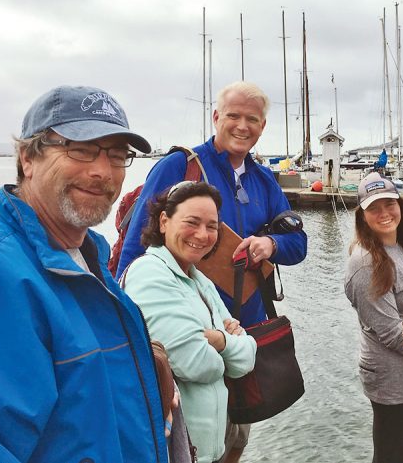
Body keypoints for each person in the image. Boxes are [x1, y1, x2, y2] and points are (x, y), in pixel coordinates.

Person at [0, 86, 172, 462]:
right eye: (81, 149)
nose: (102, 171)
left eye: (117, 155)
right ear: (28, 158)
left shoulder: (84, 260)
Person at [116, 80, 307, 462]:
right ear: (216, 117)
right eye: (233, 115)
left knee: (233, 442)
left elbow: (298, 244)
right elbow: (136, 250)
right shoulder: (180, 165)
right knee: (191, 447)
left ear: (263, 126)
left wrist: (270, 244)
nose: (242, 125)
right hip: (187, 342)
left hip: (242, 336)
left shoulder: (264, 179)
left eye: (252, 118)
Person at [122, 181, 257, 463]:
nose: (202, 235)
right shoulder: (149, 274)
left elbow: (247, 358)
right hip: (176, 449)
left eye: (212, 226)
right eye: (192, 222)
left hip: (208, 446)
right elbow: (196, 363)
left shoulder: (197, 278)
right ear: (163, 221)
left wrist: (219, 341)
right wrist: (230, 346)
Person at [344, 172, 403, 463]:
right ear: (363, 216)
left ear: (400, 205)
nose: (384, 213)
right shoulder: (365, 262)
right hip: (394, 383)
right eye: (374, 207)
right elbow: (391, 333)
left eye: (389, 203)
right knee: (392, 454)